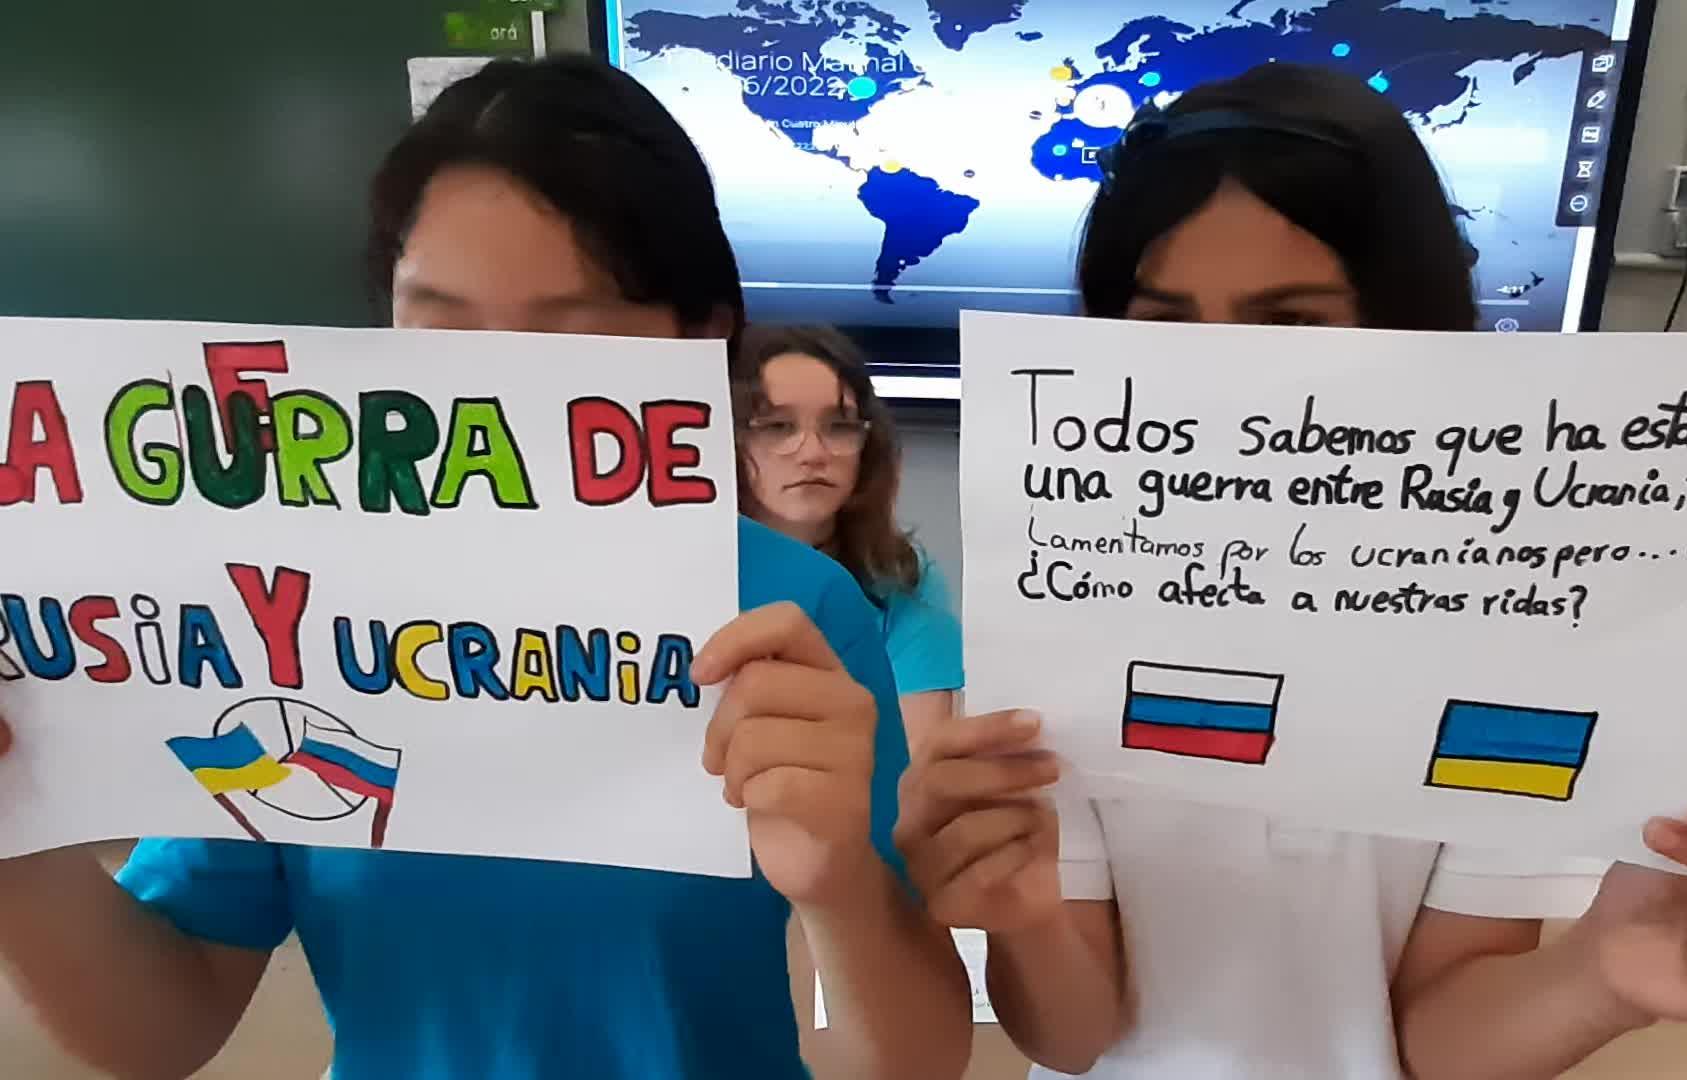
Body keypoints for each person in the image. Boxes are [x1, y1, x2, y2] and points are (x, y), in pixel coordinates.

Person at [0, 56, 970, 1080]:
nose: (491, 392)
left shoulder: (792, 615)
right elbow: (159, 1027)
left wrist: (841, 890)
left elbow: (914, 1061)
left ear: (701, 339)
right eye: (438, 324)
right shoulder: (294, 610)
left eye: (572, 336)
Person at [893, 63, 1687, 1079]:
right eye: (1164, 325)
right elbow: (1074, 1037)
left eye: (1292, 322)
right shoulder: (1065, 616)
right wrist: (1025, 919)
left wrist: (1604, 976)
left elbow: (1434, 1037)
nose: (1227, 383)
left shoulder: (1509, 633)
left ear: (1409, 327)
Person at [730, 324, 963, 747]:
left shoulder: (903, 576)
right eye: (777, 427)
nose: (813, 453)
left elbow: (913, 770)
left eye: (839, 427)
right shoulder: (677, 568)